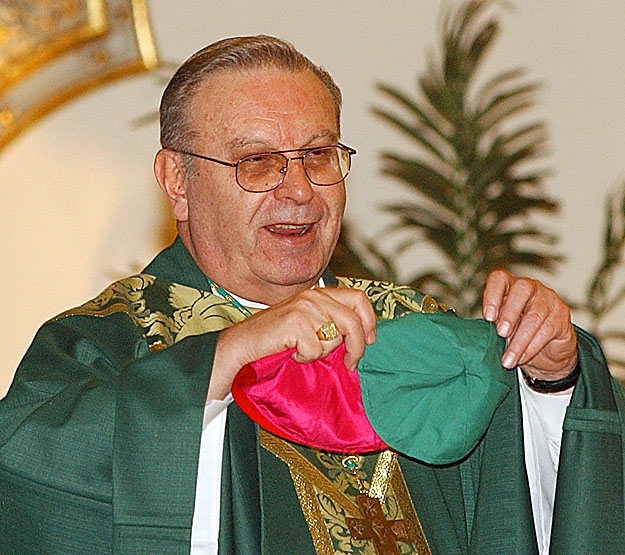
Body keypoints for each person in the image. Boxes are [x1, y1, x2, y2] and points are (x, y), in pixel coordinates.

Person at [0, 35, 623, 555]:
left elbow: (525, 504)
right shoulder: (105, 344)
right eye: (258, 161)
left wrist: (551, 381)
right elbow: (28, 473)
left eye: (318, 156)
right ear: (177, 180)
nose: (299, 190)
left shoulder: (414, 333)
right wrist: (224, 358)